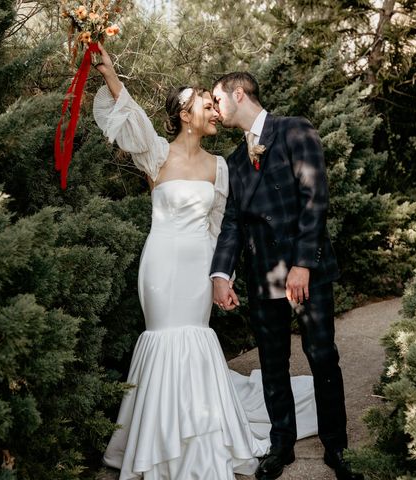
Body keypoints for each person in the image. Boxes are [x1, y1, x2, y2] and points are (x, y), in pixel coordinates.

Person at [92, 46, 318, 480]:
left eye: (216, 105)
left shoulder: (222, 167)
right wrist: (110, 74)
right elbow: (132, 115)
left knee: (195, 338)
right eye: (207, 104)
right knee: (161, 338)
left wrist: (223, 277)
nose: (216, 111)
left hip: (199, 267)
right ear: (183, 112)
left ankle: (201, 440)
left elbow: (221, 229)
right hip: (159, 264)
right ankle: (156, 445)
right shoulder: (155, 154)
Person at [211, 72, 364, 480]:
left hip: (305, 271)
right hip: (261, 277)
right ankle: (281, 446)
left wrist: (302, 264)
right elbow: (231, 223)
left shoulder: (295, 130)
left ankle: (337, 448)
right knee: (272, 363)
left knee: (322, 357)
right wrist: (221, 274)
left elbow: (315, 197)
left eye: (217, 98)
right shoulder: (234, 160)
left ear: (238, 93)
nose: (214, 107)